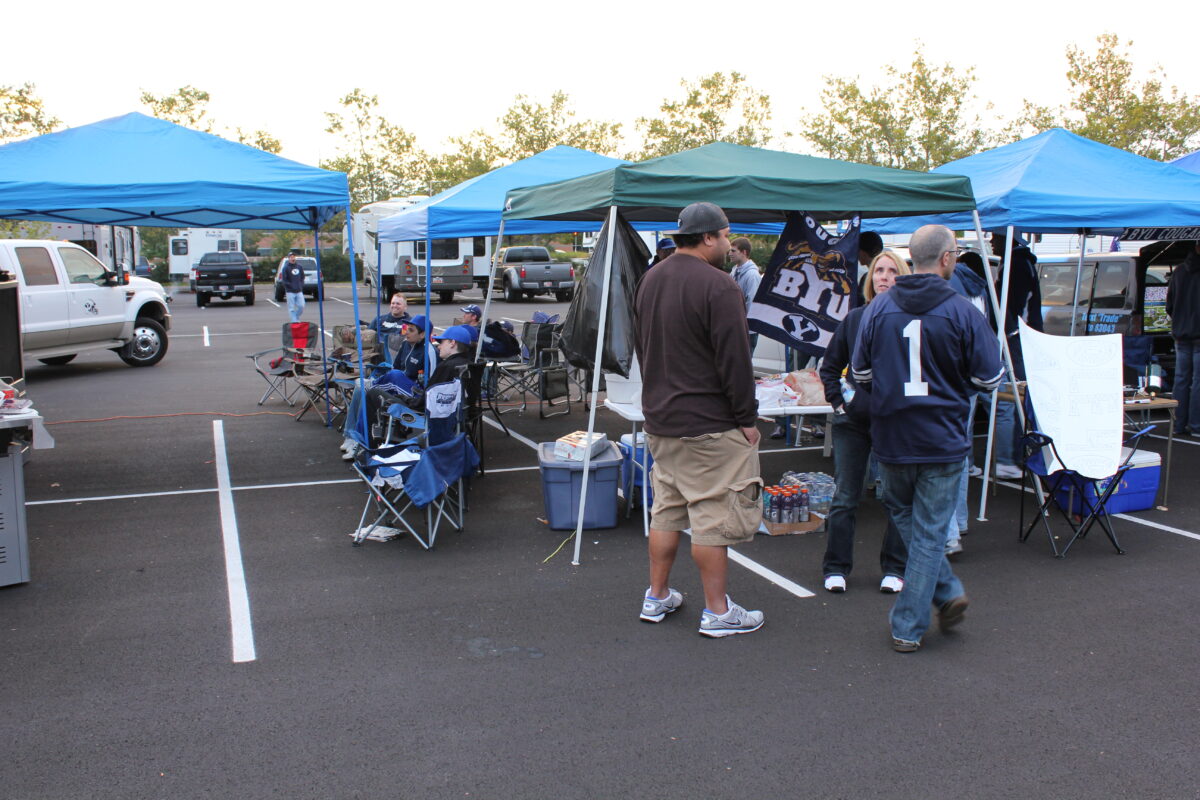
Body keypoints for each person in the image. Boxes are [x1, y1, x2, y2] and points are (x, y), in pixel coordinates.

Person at [852, 224, 1003, 653]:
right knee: (929, 533)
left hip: (892, 437)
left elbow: (860, 375)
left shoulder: (879, 310)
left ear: (911, 258)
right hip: (942, 439)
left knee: (911, 520)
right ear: (948, 259)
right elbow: (989, 378)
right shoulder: (963, 311)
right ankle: (910, 621)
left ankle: (940, 597)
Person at [634, 202, 765, 638]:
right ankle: (718, 611)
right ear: (708, 237)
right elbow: (735, 359)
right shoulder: (720, 285)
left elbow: (643, 347)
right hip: (708, 421)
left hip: (661, 420)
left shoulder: (651, 279)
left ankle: (657, 595)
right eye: (726, 236)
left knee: (667, 511)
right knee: (712, 517)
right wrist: (746, 417)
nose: (729, 245)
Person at [818, 250, 910, 594]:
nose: (883, 277)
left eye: (891, 271)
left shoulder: (912, 320)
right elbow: (829, 366)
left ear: (903, 278)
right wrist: (839, 403)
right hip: (853, 424)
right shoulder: (855, 319)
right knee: (845, 496)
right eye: (878, 271)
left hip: (895, 425)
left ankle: (895, 569)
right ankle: (835, 567)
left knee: (897, 499)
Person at [992, 230, 1042, 479]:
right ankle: (1013, 455)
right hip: (1018, 337)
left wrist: (1009, 333)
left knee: (1011, 398)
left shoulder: (1018, 263)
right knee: (1014, 398)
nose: (991, 240)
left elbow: (1015, 304)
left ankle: (1010, 457)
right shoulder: (1019, 262)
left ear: (1008, 238)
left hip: (1016, 338)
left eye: (995, 236)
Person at [1166, 241, 1200, 435]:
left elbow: (1169, 305)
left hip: (1180, 333)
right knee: (1198, 382)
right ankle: (1196, 425)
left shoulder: (1179, 272)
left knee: (1180, 380)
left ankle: (1177, 424)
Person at [729, 237, 762, 353]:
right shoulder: (734, 270)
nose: (729, 254)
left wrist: (742, 326)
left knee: (743, 365)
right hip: (736, 327)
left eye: (733, 251)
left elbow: (751, 303)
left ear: (744, 252)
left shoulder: (752, 275)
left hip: (747, 329)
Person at [280, 253, 305, 322]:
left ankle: (296, 316)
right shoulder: (285, 268)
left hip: (299, 290)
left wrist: (301, 285)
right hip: (290, 291)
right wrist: (290, 286)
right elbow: (284, 280)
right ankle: (294, 322)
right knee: (291, 308)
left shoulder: (299, 267)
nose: (292, 258)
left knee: (301, 306)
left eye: (293, 257)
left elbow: (302, 277)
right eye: (291, 257)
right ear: (289, 258)